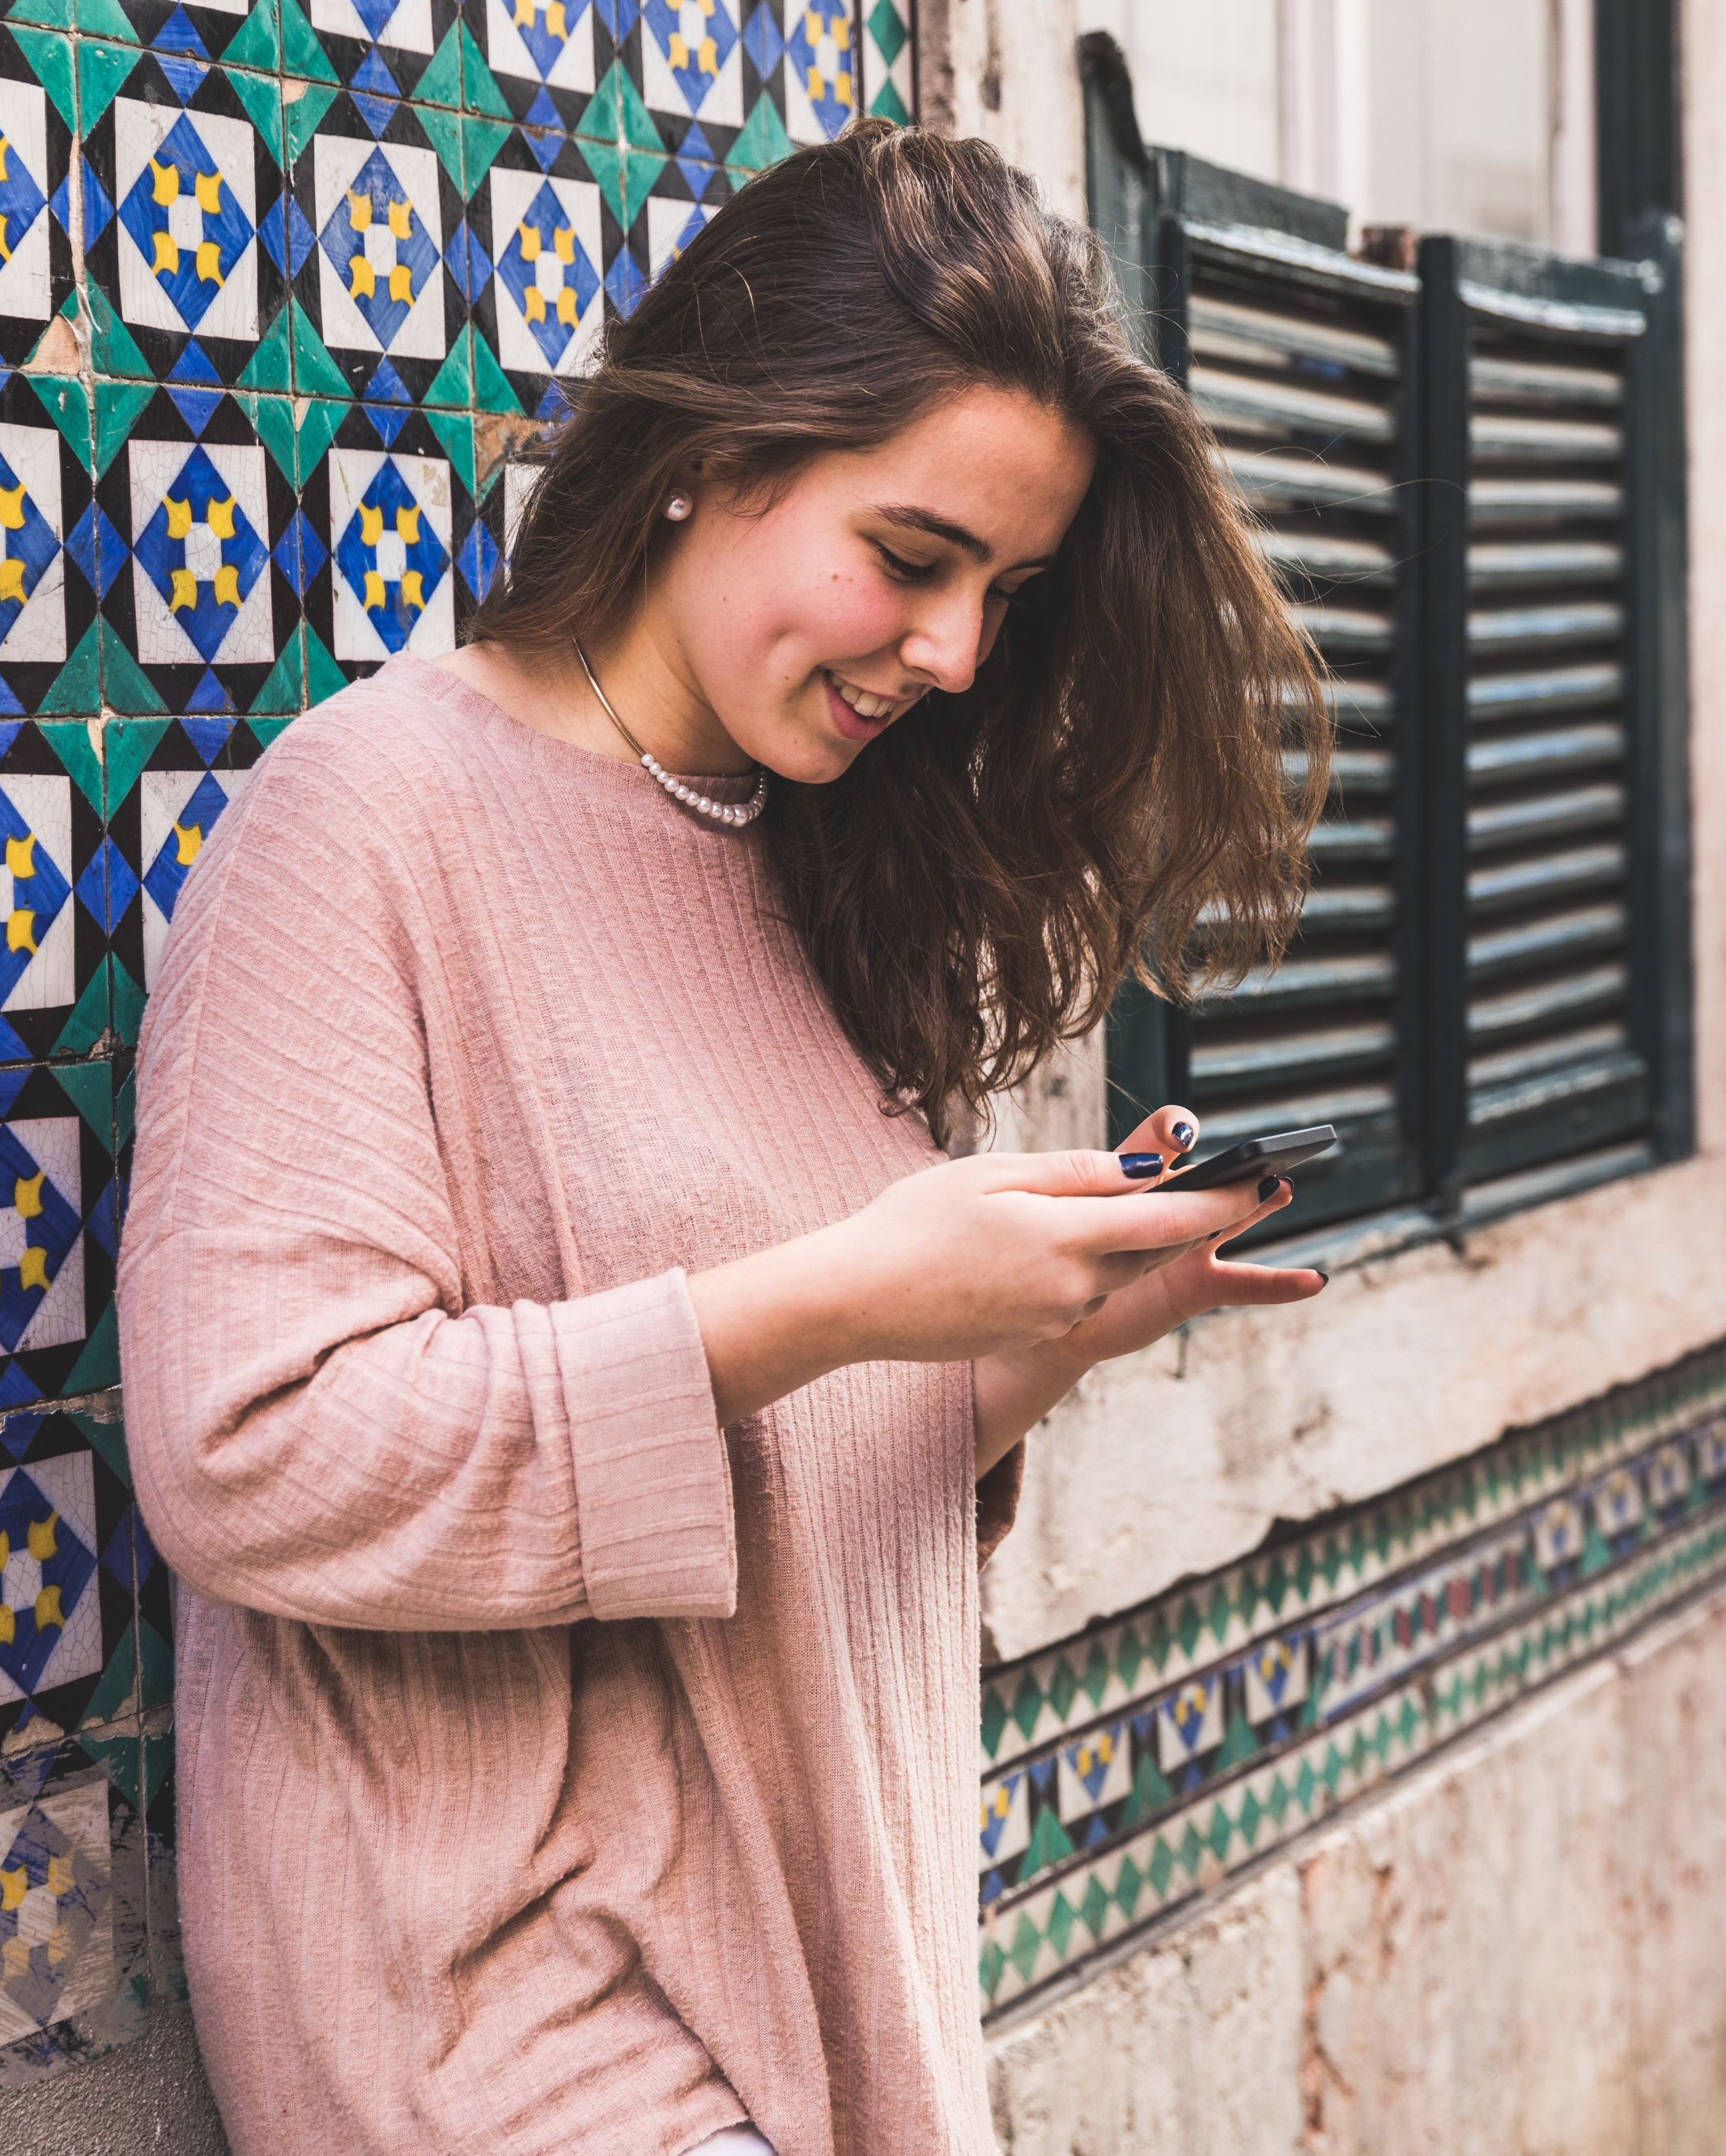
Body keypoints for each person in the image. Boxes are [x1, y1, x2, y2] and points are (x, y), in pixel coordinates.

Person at [121, 124, 1328, 2156]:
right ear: (718, 449)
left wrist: (1014, 1349)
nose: (953, 654)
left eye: (1003, 595)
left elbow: (755, 1459)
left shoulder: (819, 862)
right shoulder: (368, 823)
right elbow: (250, 1452)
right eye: (912, 556)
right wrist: (852, 1290)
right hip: (514, 2026)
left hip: (802, 1998)